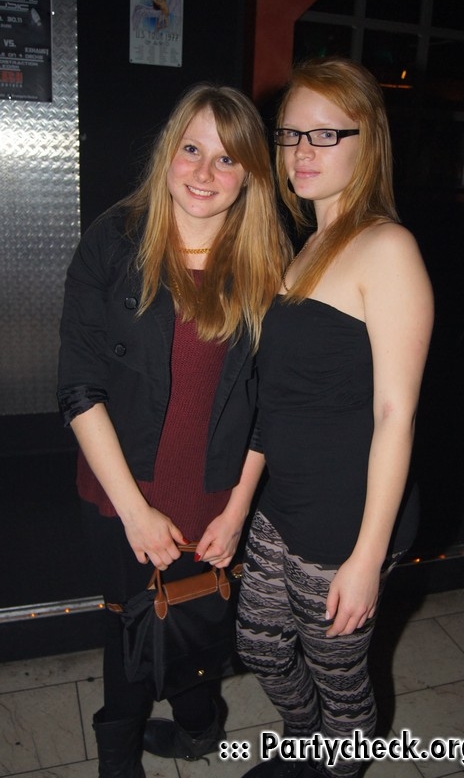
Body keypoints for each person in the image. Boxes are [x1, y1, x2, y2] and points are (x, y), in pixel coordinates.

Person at [57, 83, 290, 777]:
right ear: (167, 152)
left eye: (227, 159)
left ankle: (197, 724)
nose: (204, 172)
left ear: (250, 175)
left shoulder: (269, 261)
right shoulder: (114, 239)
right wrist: (135, 511)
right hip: (119, 490)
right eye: (192, 149)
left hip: (215, 494)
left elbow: (273, 401)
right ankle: (118, 759)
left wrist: (238, 509)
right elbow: (78, 387)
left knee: (195, 618)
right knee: (126, 626)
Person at [235, 57, 434, 778]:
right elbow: (280, 396)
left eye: (326, 134)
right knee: (260, 645)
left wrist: (367, 559)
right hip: (284, 501)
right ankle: (303, 746)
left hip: (345, 518)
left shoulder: (386, 247)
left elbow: (396, 414)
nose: (302, 151)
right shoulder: (307, 247)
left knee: (340, 686)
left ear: (366, 141)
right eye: (291, 134)